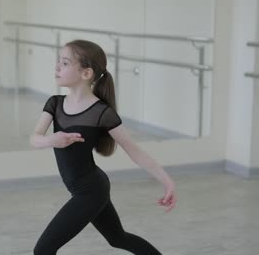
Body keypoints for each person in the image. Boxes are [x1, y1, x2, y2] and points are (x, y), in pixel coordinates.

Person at [30, 40, 176, 254]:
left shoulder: (101, 113)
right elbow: (34, 138)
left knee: (42, 250)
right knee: (118, 238)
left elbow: (133, 150)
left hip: (90, 192)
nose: (57, 67)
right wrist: (52, 140)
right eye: (58, 62)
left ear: (86, 73)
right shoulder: (55, 103)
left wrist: (167, 181)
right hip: (91, 186)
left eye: (65, 63)